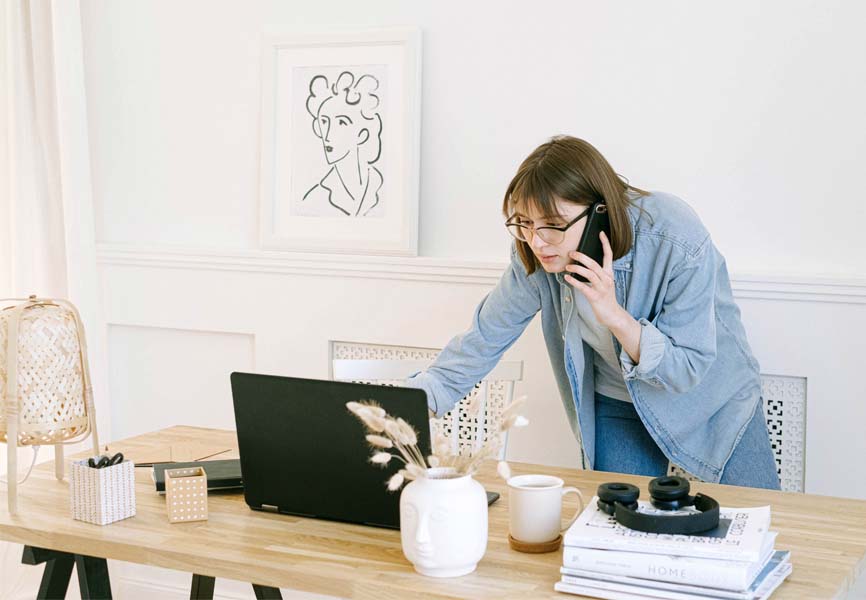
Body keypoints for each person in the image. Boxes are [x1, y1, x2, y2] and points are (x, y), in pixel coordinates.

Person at [406, 135, 780, 489]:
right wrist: (405, 407)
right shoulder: (536, 253)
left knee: (764, 522)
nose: (537, 241)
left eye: (553, 225)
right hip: (617, 402)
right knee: (614, 536)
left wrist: (613, 314)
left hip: (712, 399)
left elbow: (687, 369)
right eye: (525, 223)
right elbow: (482, 341)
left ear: (599, 211)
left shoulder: (673, 235)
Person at [302, 71, 384, 217]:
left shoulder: (384, 187)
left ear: (362, 134)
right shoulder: (315, 199)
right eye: (324, 121)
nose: (327, 135)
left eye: (341, 122)